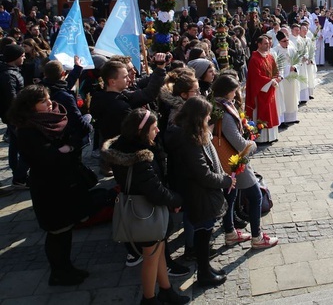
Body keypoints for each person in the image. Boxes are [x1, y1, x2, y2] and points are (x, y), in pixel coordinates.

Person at [101, 109, 188, 305]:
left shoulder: (126, 147)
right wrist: (176, 200)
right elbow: (154, 190)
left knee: (159, 251)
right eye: (153, 127)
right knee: (151, 257)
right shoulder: (140, 158)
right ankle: (148, 298)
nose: (158, 130)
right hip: (145, 213)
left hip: (148, 209)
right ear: (141, 131)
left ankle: (166, 290)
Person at [10, 86, 91, 286]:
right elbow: (46, 158)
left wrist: (69, 147)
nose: (50, 103)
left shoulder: (51, 118)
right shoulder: (27, 129)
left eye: (48, 99)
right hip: (48, 187)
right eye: (44, 101)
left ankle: (67, 268)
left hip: (64, 183)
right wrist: (61, 150)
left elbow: (72, 137)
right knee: (57, 232)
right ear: (30, 107)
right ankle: (58, 273)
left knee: (66, 230)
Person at [165, 97, 235, 287]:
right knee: (203, 235)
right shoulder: (189, 140)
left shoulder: (185, 134)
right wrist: (227, 180)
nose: (209, 118)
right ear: (198, 118)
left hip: (196, 191)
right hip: (198, 193)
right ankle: (204, 273)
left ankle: (206, 268)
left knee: (204, 234)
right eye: (206, 116)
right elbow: (203, 174)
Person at [211, 75, 278, 249]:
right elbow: (239, 143)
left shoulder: (215, 104)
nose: (237, 93)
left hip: (226, 160)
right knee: (255, 196)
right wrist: (253, 144)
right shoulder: (224, 112)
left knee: (230, 196)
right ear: (227, 92)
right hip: (234, 160)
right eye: (235, 90)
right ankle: (257, 237)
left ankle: (230, 233)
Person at [245, 35, 282, 144]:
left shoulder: (270, 56)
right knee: (263, 113)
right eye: (265, 44)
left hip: (270, 89)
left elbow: (275, 70)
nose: (268, 46)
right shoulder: (254, 59)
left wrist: (277, 77)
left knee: (272, 112)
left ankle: (273, 135)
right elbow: (256, 77)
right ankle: (262, 138)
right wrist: (270, 81)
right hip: (260, 91)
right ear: (259, 44)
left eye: (268, 43)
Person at [1, 43, 28, 187]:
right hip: (15, 117)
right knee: (26, 147)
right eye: (22, 56)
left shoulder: (11, 71)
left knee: (15, 145)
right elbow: (12, 99)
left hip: (12, 117)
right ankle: (20, 177)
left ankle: (17, 172)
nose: (24, 58)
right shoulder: (8, 75)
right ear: (15, 57)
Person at [273, 31, 301, 124]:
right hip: (283, 79)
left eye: (287, 40)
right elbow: (275, 65)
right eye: (284, 41)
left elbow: (298, 60)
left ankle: (292, 117)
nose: (286, 42)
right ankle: (283, 119)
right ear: (279, 41)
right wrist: (288, 68)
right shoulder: (275, 50)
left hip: (292, 77)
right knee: (283, 98)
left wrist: (295, 67)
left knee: (293, 96)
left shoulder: (292, 48)